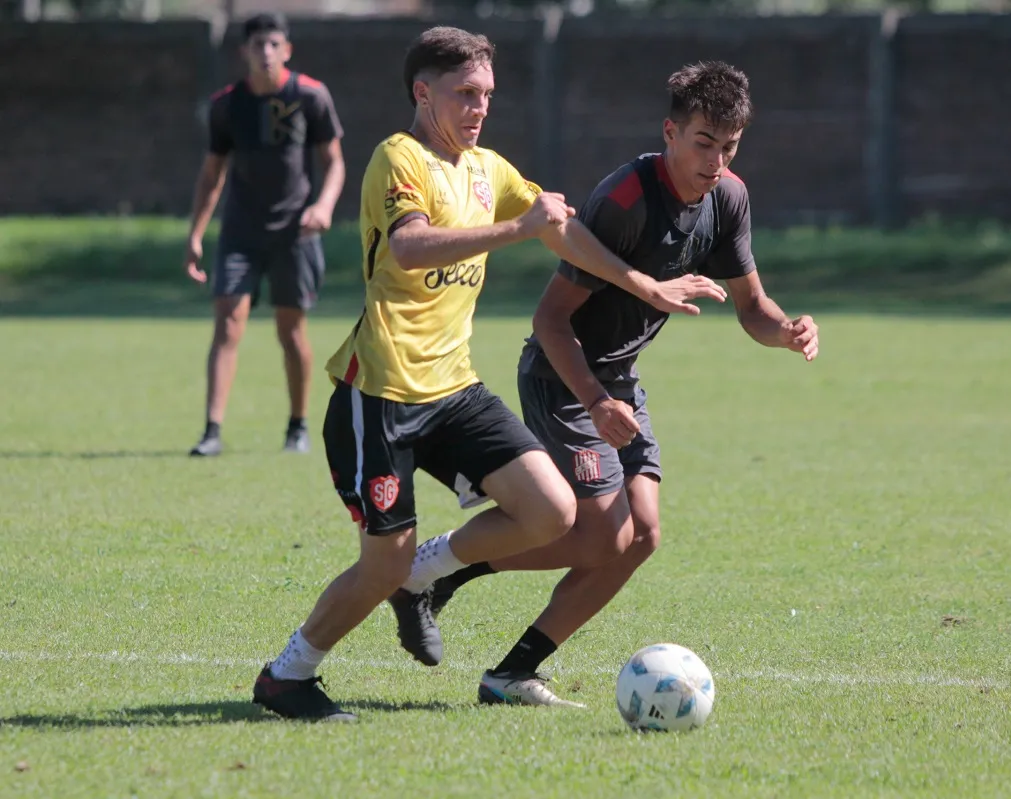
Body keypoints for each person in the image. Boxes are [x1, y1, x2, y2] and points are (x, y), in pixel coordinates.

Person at [250, 27, 727, 722]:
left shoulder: (486, 168)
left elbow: (561, 230)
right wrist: (517, 228)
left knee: (553, 509)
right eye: (465, 94)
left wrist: (646, 285)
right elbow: (411, 247)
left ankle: (426, 575)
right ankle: (287, 675)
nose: (479, 108)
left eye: (487, 96)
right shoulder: (399, 157)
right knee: (380, 562)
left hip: (454, 391)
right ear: (424, 92)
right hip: (378, 395)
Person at [393, 60, 820, 707]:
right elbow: (550, 320)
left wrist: (785, 329)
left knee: (640, 535)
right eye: (703, 144)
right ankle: (432, 568)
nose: (715, 162)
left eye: (728, 148)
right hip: (565, 376)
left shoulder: (728, 198)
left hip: (620, 383)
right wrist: (595, 399)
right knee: (599, 534)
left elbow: (752, 307)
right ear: (670, 133)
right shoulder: (626, 200)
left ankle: (510, 673)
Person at [184, 12, 346, 457]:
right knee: (227, 322)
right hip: (240, 232)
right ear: (245, 52)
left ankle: (297, 426)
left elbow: (334, 162)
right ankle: (212, 431)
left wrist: (323, 206)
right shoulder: (226, 105)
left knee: (290, 331)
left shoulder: (311, 97)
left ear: (287, 50)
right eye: (258, 45)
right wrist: (196, 231)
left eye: (274, 44)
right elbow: (212, 173)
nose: (266, 52)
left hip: (295, 233)